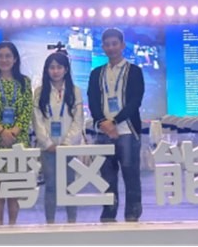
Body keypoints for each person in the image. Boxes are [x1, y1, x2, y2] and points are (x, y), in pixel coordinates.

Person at [88, 28, 144, 223]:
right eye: (107, 45)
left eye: (114, 44)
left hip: (127, 131)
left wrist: (114, 121)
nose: (111, 48)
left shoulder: (134, 71)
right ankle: (109, 213)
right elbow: (93, 101)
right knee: (107, 177)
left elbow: (135, 101)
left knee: (131, 175)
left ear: (122, 45)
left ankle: (132, 214)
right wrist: (103, 122)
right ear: (103, 47)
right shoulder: (96, 73)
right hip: (104, 132)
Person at [0, 41, 33, 225]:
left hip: (18, 140)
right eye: (0, 56)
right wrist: (2, 131)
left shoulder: (24, 82)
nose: (4, 60)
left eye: (8, 56)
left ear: (15, 59)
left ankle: (13, 226)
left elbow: (27, 110)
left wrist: (13, 132)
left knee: (13, 186)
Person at [33, 51, 84, 224]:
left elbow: (78, 120)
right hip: (48, 148)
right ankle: (50, 223)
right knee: (50, 186)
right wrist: (47, 143)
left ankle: (72, 222)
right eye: (52, 67)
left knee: (70, 185)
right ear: (46, 70)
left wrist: (67, 144)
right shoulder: (39, 92)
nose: (55, 71)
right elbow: (37, 120)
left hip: (68, 148)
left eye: (59, 67)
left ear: (66, 69)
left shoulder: (75, 91)